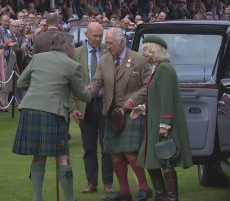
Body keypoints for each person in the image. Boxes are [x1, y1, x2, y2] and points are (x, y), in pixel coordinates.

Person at [12, 32, 91, 201]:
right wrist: (91, 93)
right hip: (53, 112)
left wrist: (40, 86)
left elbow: (21, 82)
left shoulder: (38, 58)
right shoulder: (72, 65)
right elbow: (82, 94)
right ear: (69, 46)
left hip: (30, 109)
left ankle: (37, 198)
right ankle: (70, 199)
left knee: (38, 156)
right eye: (74, 46)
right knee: (62, 156)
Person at [89, 27, 152, 201]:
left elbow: (148, 85)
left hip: (132, 112)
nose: (108, 46)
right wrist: (87, 91)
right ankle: (125, 192)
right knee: (115, 153)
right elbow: (96, 82)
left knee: (131, 152)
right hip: (111, 114)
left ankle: (144, 188)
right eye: (106, 43)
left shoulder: (139, 60)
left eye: (111, 43)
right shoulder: (104, 61)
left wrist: (133, 100)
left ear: (122, 42)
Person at [131, 35, 193, 201]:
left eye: (146, 50)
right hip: (154, 123)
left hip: (162, 125)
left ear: (154, 51)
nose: (143, 54)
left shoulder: (164, 69)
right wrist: (142, 108)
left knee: (165, 160)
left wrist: (164, 125)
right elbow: (156, 98)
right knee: (151, 160)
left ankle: (170, 197)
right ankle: (161, 195)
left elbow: (167, 100)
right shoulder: (158, 69)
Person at [70, 22, 114, 194]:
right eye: (94, 35)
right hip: (85, 105)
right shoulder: (76, 53)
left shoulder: (108, 52)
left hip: (105, 104)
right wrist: (72, 107)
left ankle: (108, 182)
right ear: (86, 35)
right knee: (89, 147)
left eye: (100, 35)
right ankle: (92, 182)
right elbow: (70, 82)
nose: (97, 39)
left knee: (107, 146)